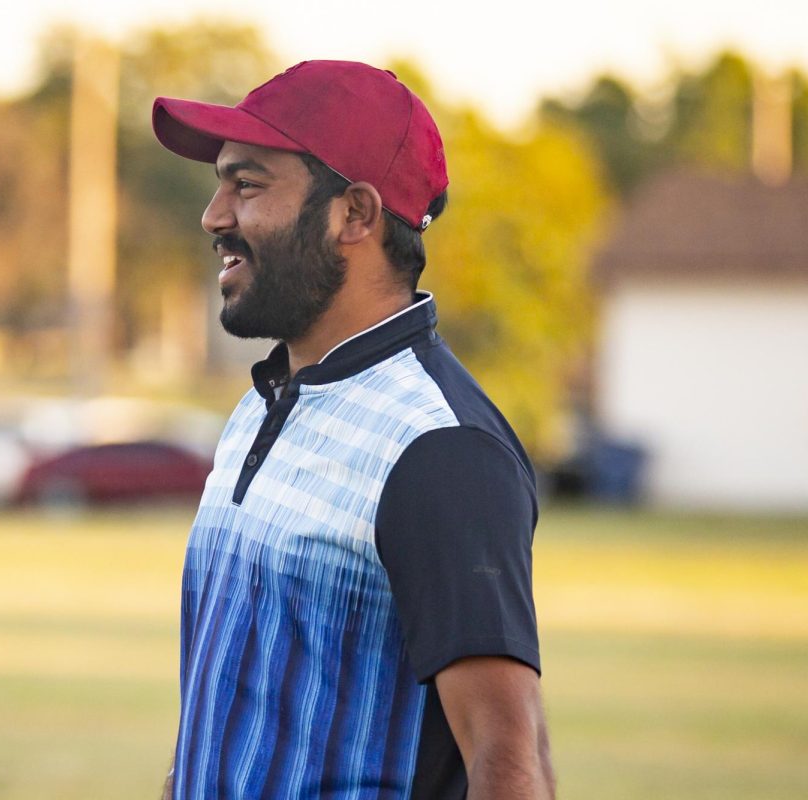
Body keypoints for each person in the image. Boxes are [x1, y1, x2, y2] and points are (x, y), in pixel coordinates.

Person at [150, 60, 554, 799]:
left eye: (247, 184)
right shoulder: (265, 403)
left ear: (355, 215)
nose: (214, 215)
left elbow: (511, 758)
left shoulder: (438, 447)